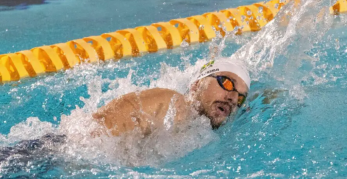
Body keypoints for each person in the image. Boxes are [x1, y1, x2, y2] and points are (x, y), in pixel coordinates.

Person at [92, 58, 251, 136]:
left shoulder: (197, 135)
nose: (232, 98)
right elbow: (93, 132)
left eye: (240, 97)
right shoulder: (170, 102)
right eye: (227, 83)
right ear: (196, 85)